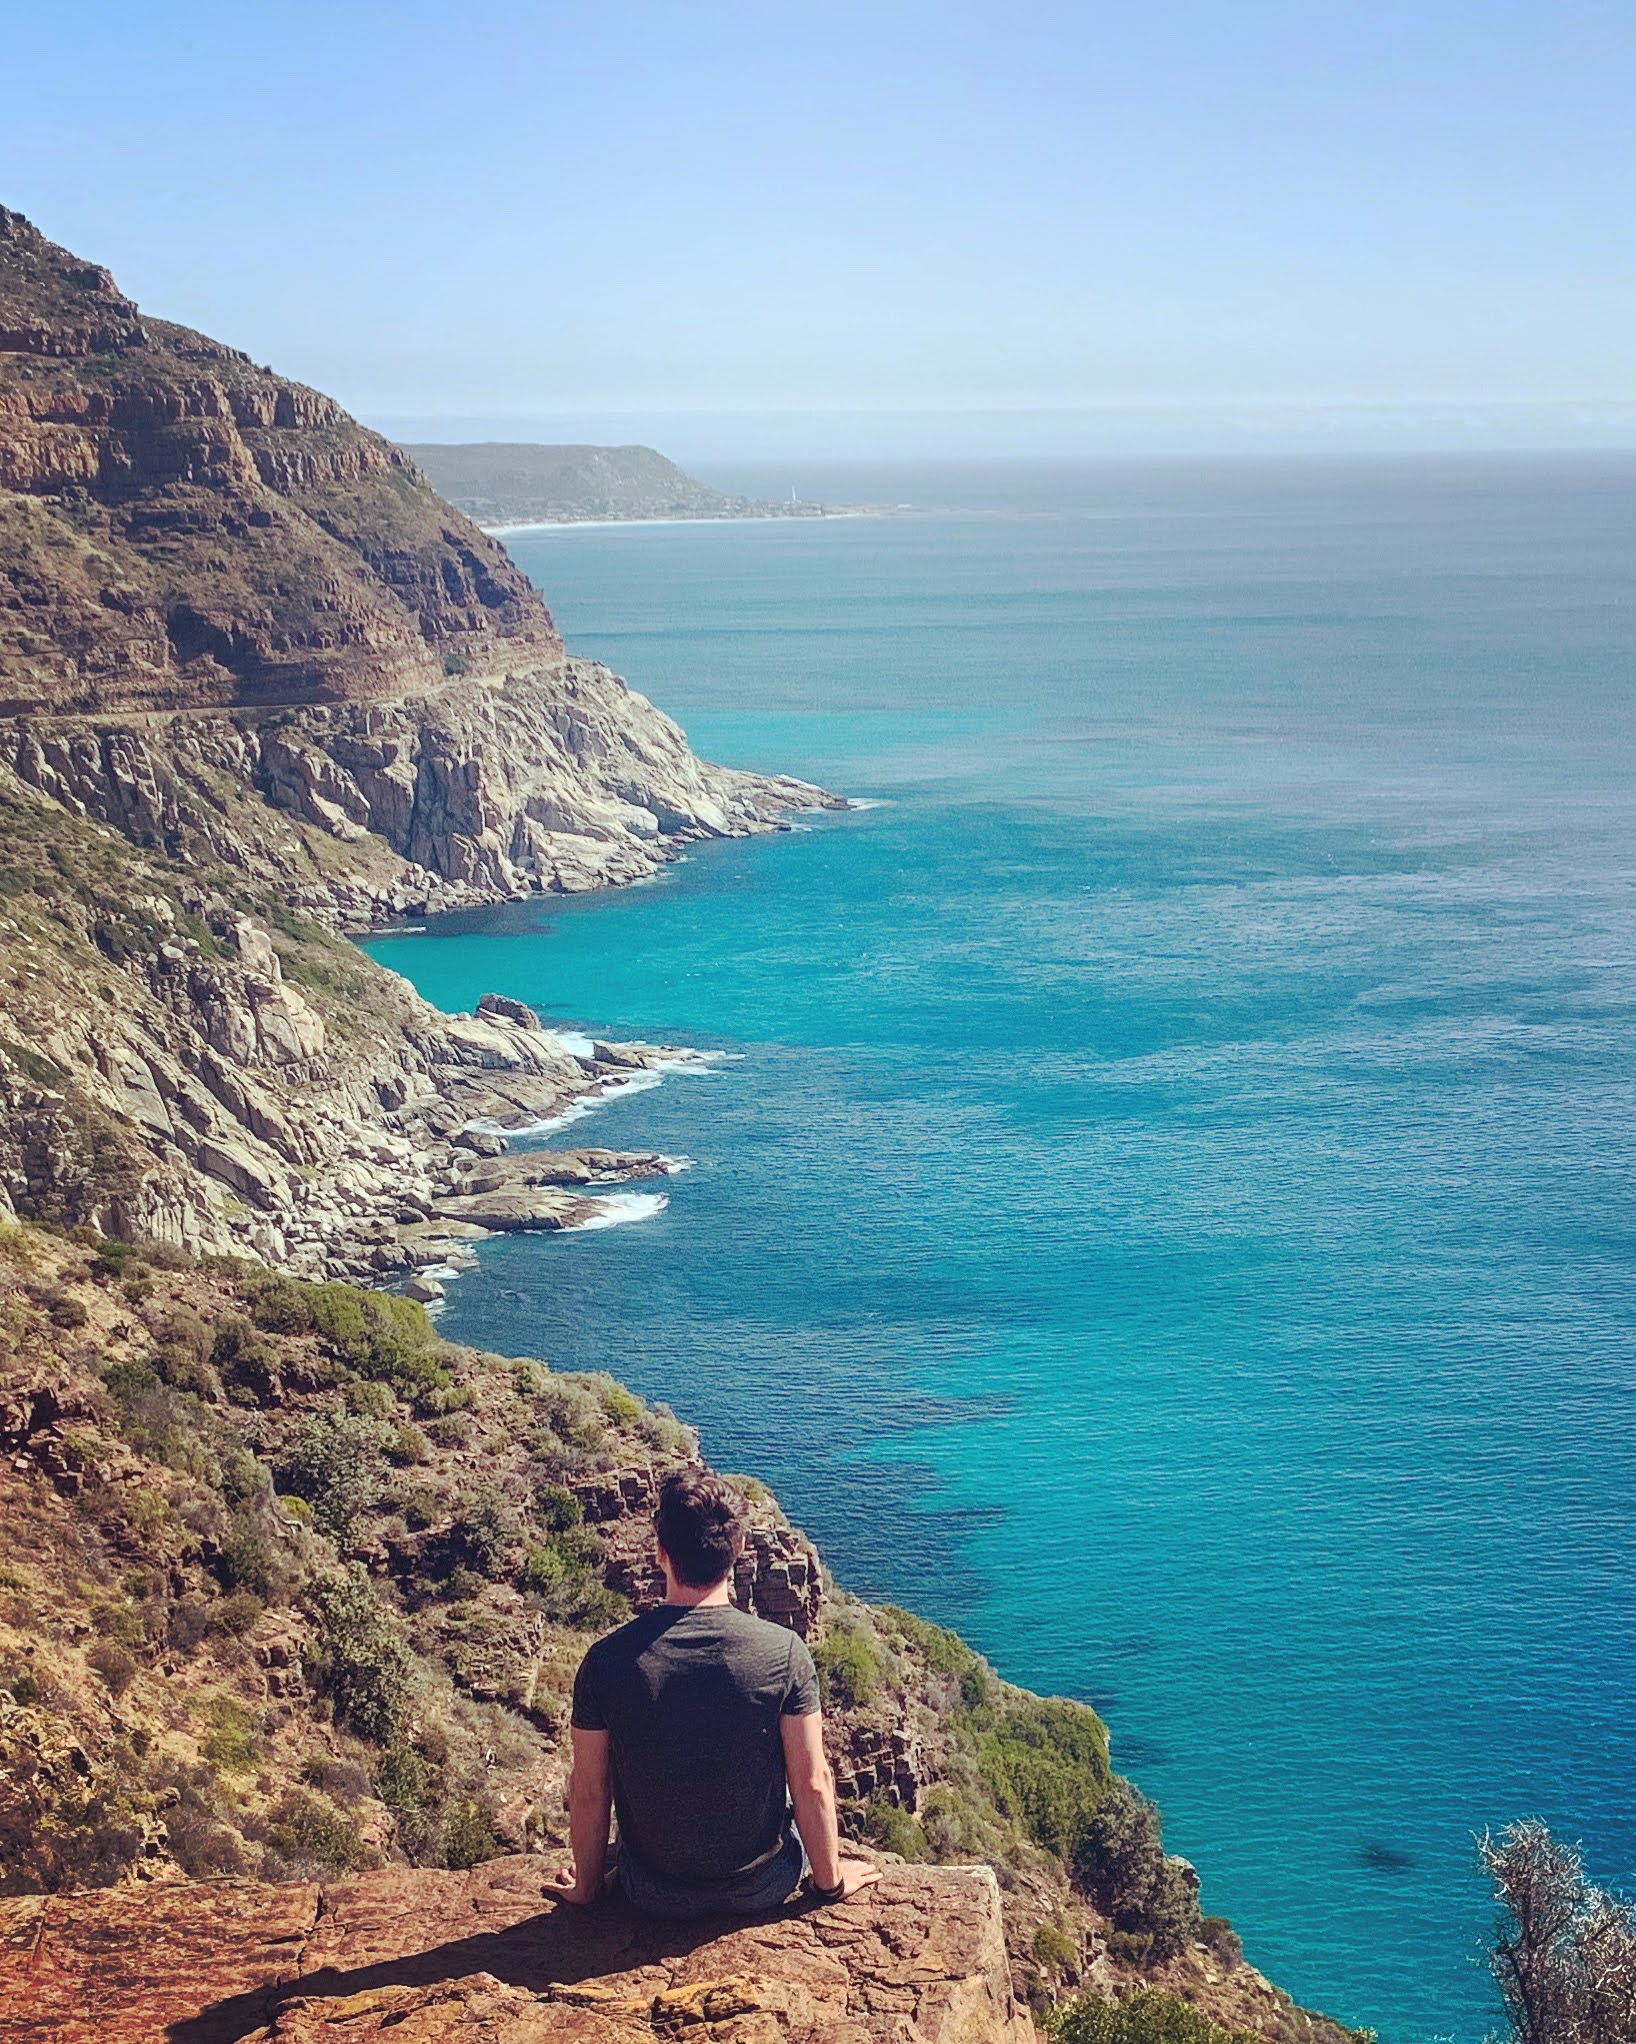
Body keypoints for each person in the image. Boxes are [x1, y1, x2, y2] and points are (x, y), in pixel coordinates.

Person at [545, 1467, 880, 1918]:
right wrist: (831, 1884)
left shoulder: (606, 1660)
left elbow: (589, 1788)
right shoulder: (783, 1652)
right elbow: (812, 1782)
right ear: (739, 1549)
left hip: (650, 1891)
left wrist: (588, 1888)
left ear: (661, 1553)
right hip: (763, 1886)